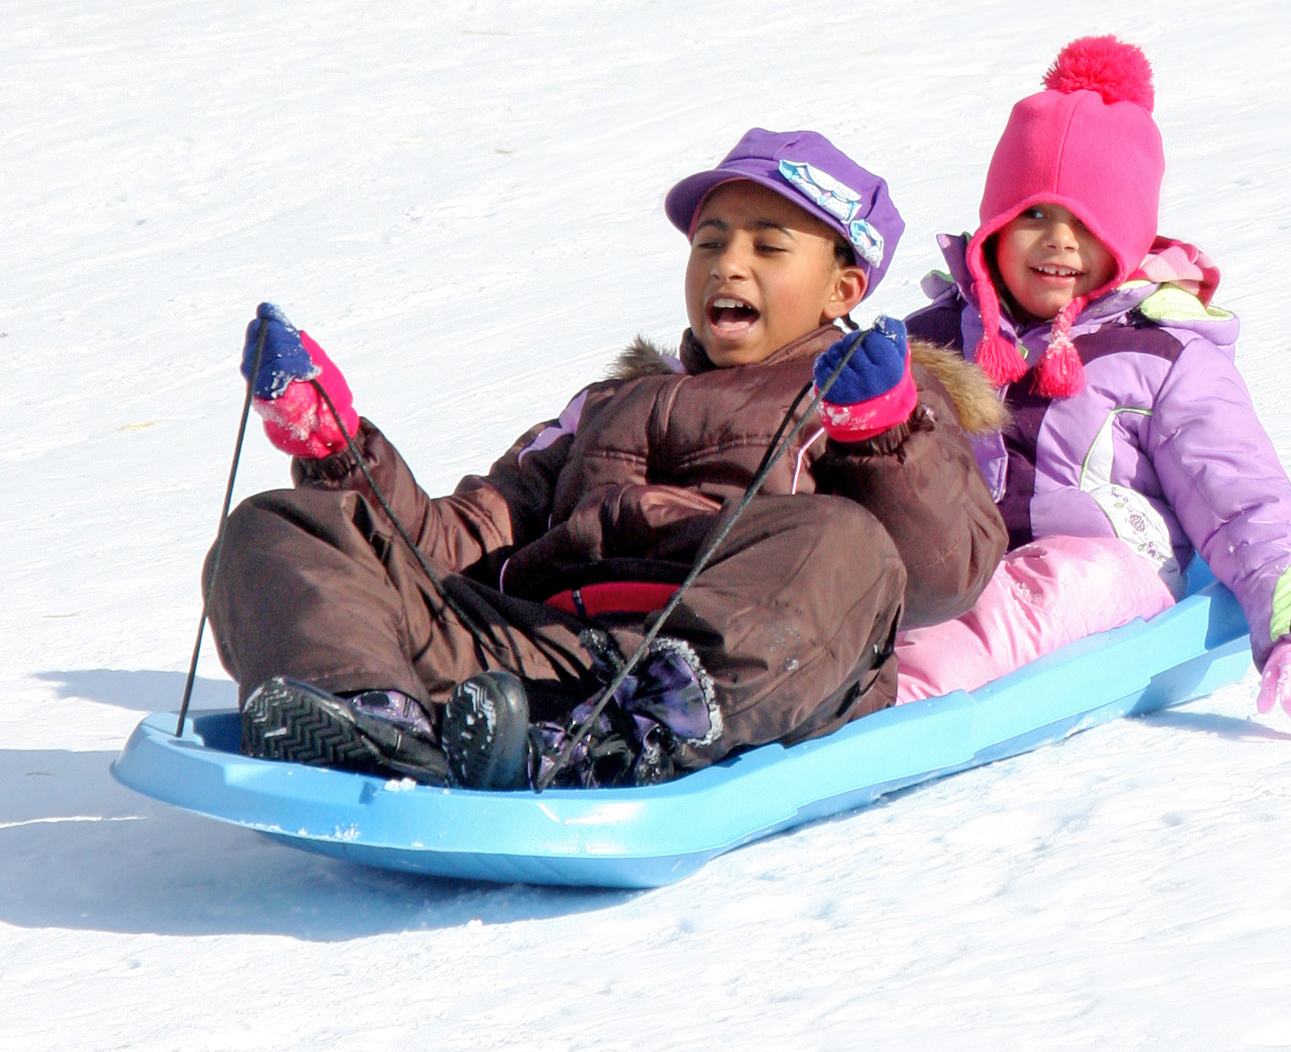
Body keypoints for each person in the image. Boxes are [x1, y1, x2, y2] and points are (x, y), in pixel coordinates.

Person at [204, 128, 1008, 790]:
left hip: (731, 665)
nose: (729, 264)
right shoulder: (606, 404)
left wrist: (884, 430)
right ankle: (370, 718)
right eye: (710, 242)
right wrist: (335, 443)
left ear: (843, 289)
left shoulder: (866, 401)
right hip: (540, 648)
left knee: (845, 543)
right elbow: (452, 541)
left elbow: (945, 571)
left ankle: (639, 731)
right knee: (276, 526)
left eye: (769, 247)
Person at [894, 36, 1291, 735]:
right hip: (958, 569)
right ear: (993, 227)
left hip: (1114, 577)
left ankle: (884, 702)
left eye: (1086, 222)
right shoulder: (934, 341)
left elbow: (1244, 496)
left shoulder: (1163, 354)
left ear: (1126, 236)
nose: (1058, 240)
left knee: (1057, 579)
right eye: (1032, 213)